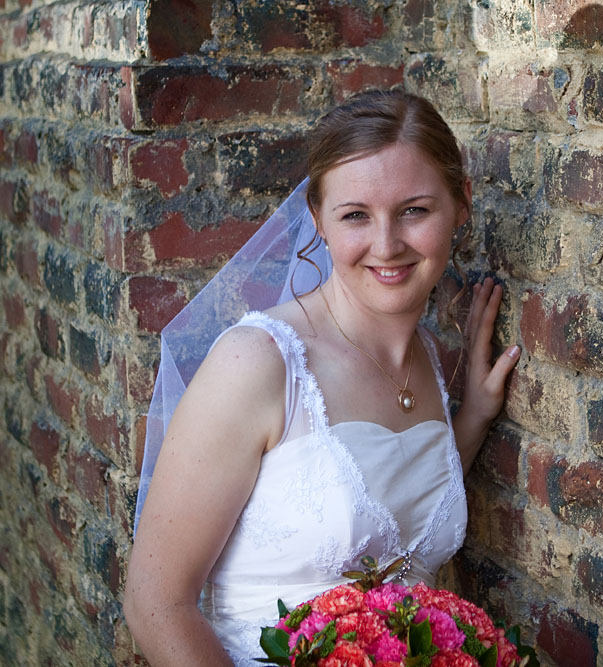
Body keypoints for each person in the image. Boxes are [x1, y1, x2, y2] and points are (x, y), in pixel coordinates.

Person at [123, 90, 520, 666]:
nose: (386, 245)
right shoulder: (257, 363)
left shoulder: (431, 361)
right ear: (318, 221)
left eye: (414, 210)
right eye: (355, 215)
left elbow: (396, 515)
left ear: (460, 205)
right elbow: (156, 603)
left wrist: (475, 416)